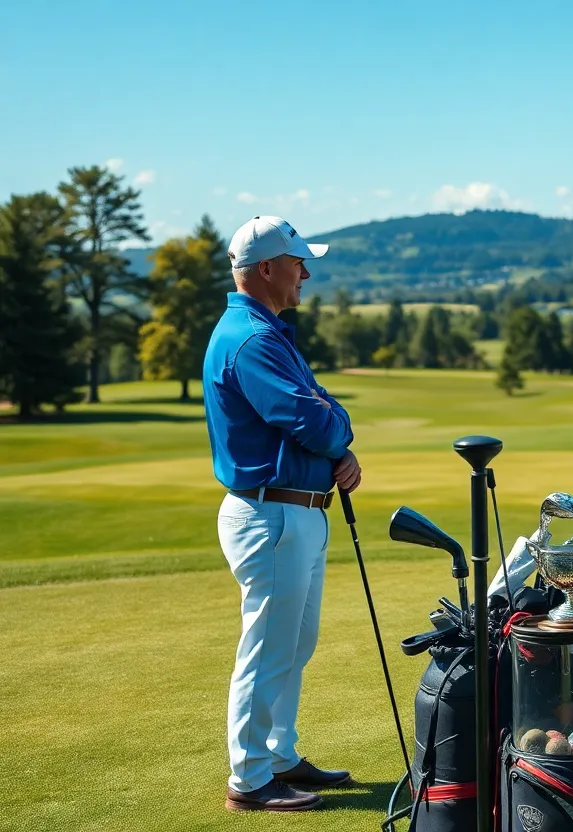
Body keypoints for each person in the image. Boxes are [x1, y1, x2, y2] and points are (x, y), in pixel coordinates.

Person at [203, 215, 362, 812]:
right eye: (298, 263)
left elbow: (327, 411)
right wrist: (338, 438)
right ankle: (249, 779)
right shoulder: (252, 338)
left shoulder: (270, 331)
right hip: (270, 516)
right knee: (268, 646)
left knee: (295, 643)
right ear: (266, 268)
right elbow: (314, 420)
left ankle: (279, 752)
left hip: (297, 513)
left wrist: (335, 437)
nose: (306, 273)